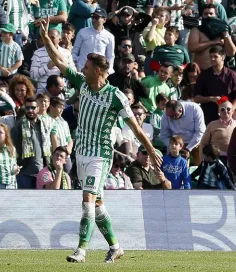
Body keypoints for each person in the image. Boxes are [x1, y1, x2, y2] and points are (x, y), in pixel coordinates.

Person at [39, 17, 162, 263]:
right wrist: (45, 39)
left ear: (97, 70)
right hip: (81, 152)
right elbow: (59, 61)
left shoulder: (116, 96)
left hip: (100, 155)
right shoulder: (82, 84)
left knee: (87, 201)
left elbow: (136, 128)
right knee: (97, 205)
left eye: (86, 66)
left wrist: (151, 149)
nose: (82, 69)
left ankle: (81, 251)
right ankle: (116, 246)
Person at [193, 45, 236, 125]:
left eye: (215, 56)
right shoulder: (204, 75)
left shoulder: (232, 75)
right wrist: (211, 98)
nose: (212, 59)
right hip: (209, 117)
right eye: (211, 56)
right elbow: (196, 98)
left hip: (229, 118)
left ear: (223, 57)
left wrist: (229, 110)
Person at [11, 96, 51, 189]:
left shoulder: (44, 124)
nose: (30, 110)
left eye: (33, 108)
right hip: (24, 172)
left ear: (38, 108)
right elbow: (12, 147)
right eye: (27, 108)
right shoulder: (19, 126)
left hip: (42, 171)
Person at [188, 4, 236, 70]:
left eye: (211, 13)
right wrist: (212, 42)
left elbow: (231, 52)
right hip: (201, 72)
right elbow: (192, 48)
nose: (208, 16)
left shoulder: (222, 31)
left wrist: (225, 33)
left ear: (216, 15)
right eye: (206, 14)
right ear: (202, 15)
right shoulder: (196, 29)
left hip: (218, 72)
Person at [159, 100, 206, 165]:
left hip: (195, 142)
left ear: (180, 111)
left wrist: (188, 148)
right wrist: (174, 146)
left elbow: (200, 132)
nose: (170, 118)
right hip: (176, 143)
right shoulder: (166, 115)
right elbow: (164, 136)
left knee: (200, 166)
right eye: (169, 116)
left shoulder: (195, 109)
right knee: (173, 168)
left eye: (173, 116)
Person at [30, 29, 74, 94]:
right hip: (43, 94)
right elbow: (33, 74)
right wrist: (47, 66)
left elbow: (73, 73)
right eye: (48, 37)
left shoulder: (66, 53)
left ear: (59, 39)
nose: (49, 40)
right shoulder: (38, 53)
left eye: (53, 37)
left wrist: (62, 67)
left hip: (61, 93)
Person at [72, 8, 115, 74]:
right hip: (81, 71)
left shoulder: (109, 36)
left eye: (97, 17)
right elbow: (74, 52)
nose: (94, 20)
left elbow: (110, 56)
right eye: (93, 17)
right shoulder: (82, 32)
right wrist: (76, 64)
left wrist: (107, 72)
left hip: (99, 73)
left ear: (104, 20)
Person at [199, 99, 236, 166]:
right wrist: (202, 160)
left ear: (233, 111)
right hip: (215, 159)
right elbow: (203, 143)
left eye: (228, 109)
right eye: (222, 109)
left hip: (234, 159)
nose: (225, 111)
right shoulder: (212, 125)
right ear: (219, 112)